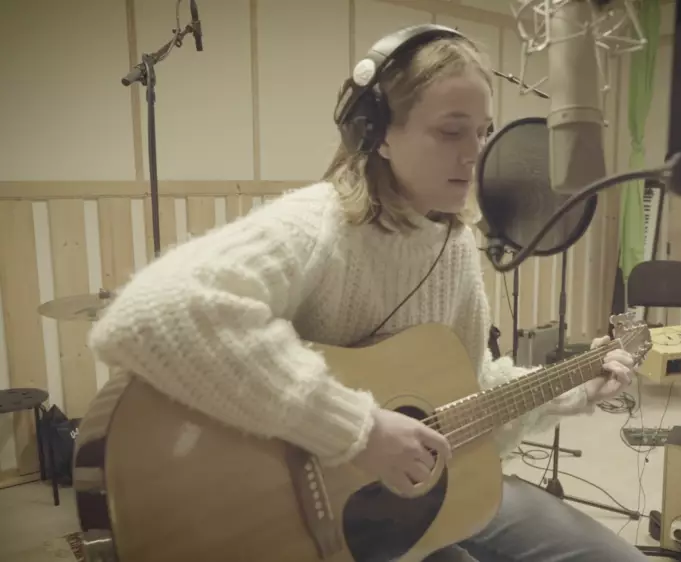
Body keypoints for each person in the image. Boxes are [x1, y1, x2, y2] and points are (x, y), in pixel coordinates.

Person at [88, 24, 647, 562]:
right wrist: (359, 430)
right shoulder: (317, 226)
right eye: (451, 131)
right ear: (375, 132)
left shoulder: (453, 246)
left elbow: (468, 395)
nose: (475, 153)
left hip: (416, 495)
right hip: (301, 526)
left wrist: (572, 387)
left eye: (483, 131)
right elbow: (147, 315)